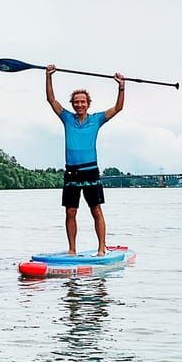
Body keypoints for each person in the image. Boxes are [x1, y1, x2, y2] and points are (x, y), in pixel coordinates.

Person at [46, 65, 125, 256]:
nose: (79, 104)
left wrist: (121, 87)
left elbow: (118, 108)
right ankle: (72, 249)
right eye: (76, 102)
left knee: (96, 210)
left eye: (82, 101)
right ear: (72, 104)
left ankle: (101, 250)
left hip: (90, 170)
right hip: (72, 171)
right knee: (70, 212)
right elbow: (51, 99)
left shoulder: (97, 119)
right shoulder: (66, 118)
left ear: (88, 103)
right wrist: (48, 77)